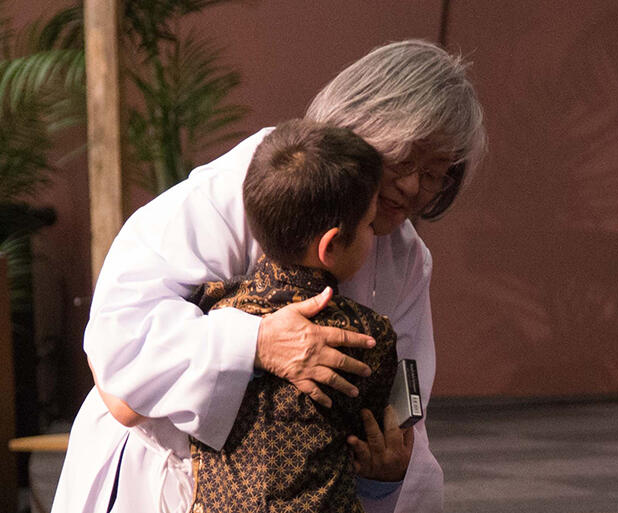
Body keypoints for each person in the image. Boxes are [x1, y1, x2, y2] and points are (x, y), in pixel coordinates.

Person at [52, 39, 485, 513]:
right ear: (363, 127)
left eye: (434, 173)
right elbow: (119, 356)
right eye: (403, 161)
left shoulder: (407, 258)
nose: (411, 187)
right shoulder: (254, 182)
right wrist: (255, 342)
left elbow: (404, 406)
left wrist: (386, 470)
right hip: (161, 478)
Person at [187, 119, 399, 513]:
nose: (376, 235)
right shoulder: (368, 336)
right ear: (331, 244)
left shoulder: (208, 308)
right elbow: (367, 440)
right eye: (370, 224)